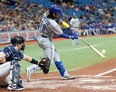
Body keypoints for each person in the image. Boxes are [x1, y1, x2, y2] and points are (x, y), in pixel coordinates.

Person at [26, 5, 78, 81]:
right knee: (48, 62)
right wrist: (72, 37)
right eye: (57, 14)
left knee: (56, 55)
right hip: (46, 41)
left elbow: (59, 20)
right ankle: (31, 69)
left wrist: (68, 28)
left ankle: (64, 74)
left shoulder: (46, 14)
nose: (58, 15)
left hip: (41, 38)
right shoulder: (53, 24)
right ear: (53, 14)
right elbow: (61, 34)